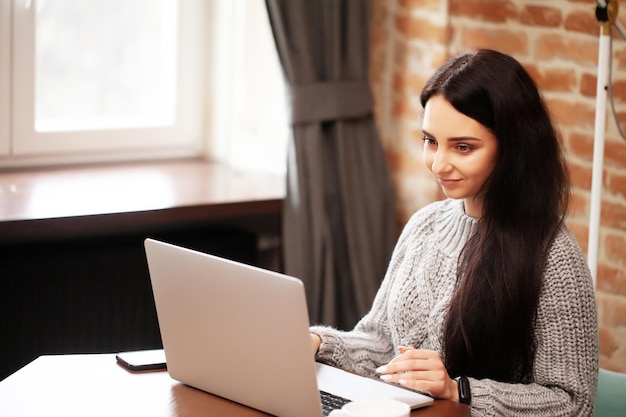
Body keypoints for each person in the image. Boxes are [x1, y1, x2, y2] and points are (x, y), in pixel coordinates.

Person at [309, 49, 599, 416]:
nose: (439, 163)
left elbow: (573, 403)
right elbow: (380, 344)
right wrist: (318, 342)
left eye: (463, 147)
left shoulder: (553, 256)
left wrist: (459, 389)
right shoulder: (423, 226)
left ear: (512, 148)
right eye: (430, 141)